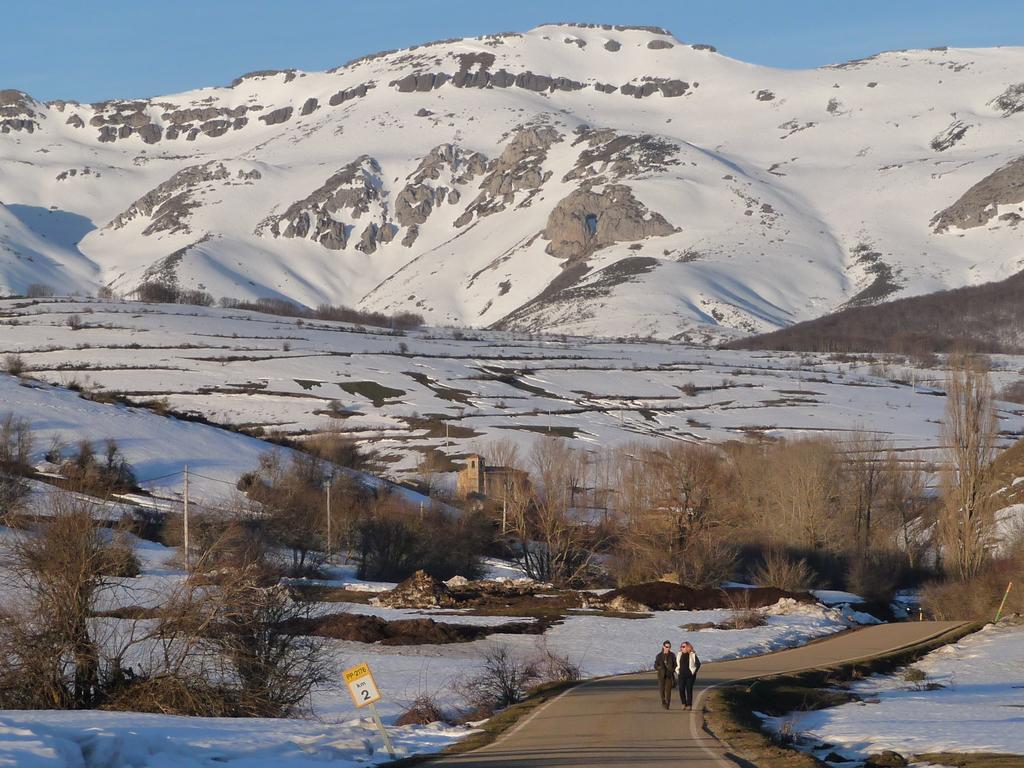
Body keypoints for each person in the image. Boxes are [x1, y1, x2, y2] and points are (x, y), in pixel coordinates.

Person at [676, 641, 701, 710]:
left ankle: (689, 704)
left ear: (687, 647)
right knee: (681, 689)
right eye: (681, 646)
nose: (682, 648)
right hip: (681, 675)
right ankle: (683, 703)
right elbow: (676, 664)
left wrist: (693, 672)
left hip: (690, 676)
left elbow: (698, 664)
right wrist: (677, 670)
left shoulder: (692, 655)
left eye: (683, 647)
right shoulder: (679, 654)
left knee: (689, 689)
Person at [653, 640, 676, 709]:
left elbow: (675, 664)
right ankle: (663, 701)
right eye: (666, 647)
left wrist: (672, 670)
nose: (668, 648)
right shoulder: (659, 656)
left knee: (668, 691)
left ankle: (667, 704)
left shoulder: (672, 655)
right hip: (661, 676)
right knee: (661, 690)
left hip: (669, 675)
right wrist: (659, 668)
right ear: (663, 646)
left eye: (669, 647)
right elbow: (655, 665)